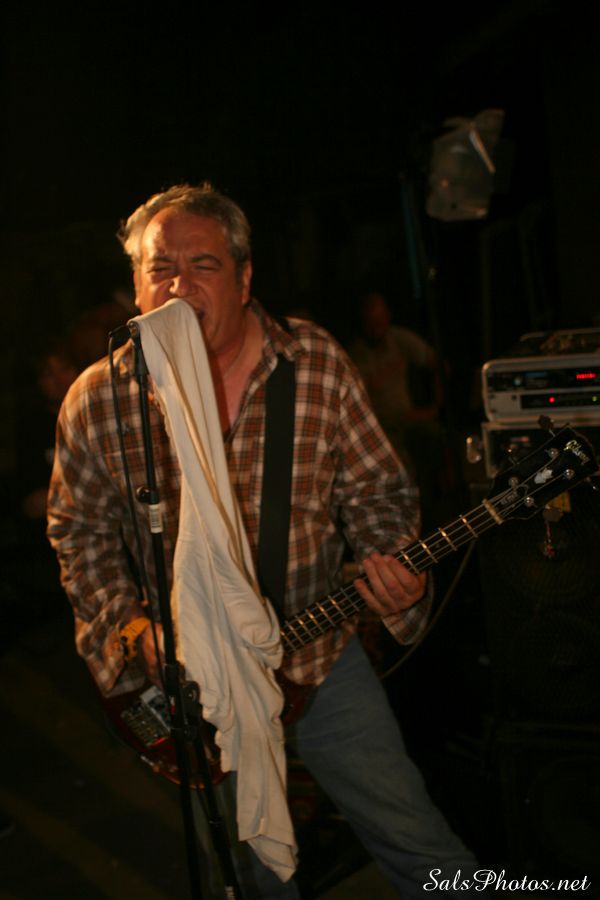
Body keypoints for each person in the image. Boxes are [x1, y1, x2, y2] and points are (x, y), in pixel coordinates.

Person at [47, 184, 477, 898]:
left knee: (418, 842)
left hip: (318, 652)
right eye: (160, 268)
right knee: (250, 879)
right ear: (136, 286)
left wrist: (392, 567)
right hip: (192, 683)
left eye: (203, 265)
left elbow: (379, 493)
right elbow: (79, 533)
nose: (178, 285)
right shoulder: (99, 398)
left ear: (245, 280)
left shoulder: (312, 363)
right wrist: (132, 627)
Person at [349, 292, 449, 526]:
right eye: (370, 323)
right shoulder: (354, 355)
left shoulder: (399, 339)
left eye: (380, 321)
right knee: (398, 471)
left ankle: (445, 508)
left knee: (439, 440)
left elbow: (438, 364)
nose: (376, 329)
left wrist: (436, 406)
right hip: (378, 427)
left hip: (408, 418)